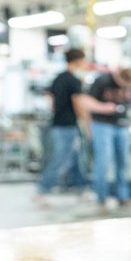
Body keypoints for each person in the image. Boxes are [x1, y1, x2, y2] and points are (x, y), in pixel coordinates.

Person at [34, 48, 88, 205]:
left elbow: (51, 99)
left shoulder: (58, 78)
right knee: (60, 158)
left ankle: (81, 187)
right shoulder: (74, 80)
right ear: (78, 61)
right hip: (68, 125)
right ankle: (42, 189)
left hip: (58, 123)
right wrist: (84, 121)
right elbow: (78, 103)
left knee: (76, 158)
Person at [86, 67, 131, 211]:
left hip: (122, 125)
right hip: (102, 124)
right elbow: (87, 102)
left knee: (123, 162)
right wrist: (103, 107)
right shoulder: (102, 80)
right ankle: (101, 199)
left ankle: (123, 196)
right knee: (103, 162)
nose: (125, 88)